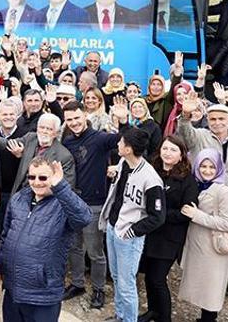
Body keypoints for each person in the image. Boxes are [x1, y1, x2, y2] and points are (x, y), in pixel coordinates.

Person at [0, 157, 91, 321]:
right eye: (32, 177)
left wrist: (60, 187)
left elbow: (84, 218)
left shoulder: (64, 203)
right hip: (13, 291)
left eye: (43, 177)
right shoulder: (18, 199)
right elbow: (6, 234)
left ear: (54, 178)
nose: (37, 182)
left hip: (42, 295)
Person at [60, 100, 130, 308]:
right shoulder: (68, 142)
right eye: (69, 120)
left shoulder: (99, 139)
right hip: (73, 203)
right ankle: (78, 283)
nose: (74, 123)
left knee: (95, 251)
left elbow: (126, 140)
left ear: (85, 116)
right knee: (74, 247)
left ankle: (98, 289)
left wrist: (124, 121)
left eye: (77, 118)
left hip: (94, 204)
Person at [98, 128, 166, 322]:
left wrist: (131, 231)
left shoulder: (151, 179)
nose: (117, 144)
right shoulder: (123, 163)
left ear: (128, 148)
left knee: (127, 284)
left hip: (128, 236)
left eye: (120, 142)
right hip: (113, 227)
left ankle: (128, 319)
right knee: (118, 278)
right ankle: (120, 316)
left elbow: (158, 217)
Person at [139, 136, 198, 322]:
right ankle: (152, 311)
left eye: (173, 150)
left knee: (158, 279)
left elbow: (187, 211)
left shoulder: (187, 180)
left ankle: (164, 318)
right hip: (149, 234)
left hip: (169, 237)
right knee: (149, 277)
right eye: (165, 148)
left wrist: (160, 214)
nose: (168, 153)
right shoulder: (151, 171)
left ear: (181, 155)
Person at [178, 149, 228, 322]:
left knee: (212, 291)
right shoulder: (196, 185)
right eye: (203, 166)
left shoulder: (224, 191)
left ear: (219, 168)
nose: (207, 171)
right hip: (199, 244)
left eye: (212, 167)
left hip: (214, 247)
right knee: (203, 288)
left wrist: (197, 215)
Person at [177, 94, 228, 182]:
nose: (217, 122)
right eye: (213, 119)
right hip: (202, 190)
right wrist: (186, 114)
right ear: (207, 120)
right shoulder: (199, 136)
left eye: (221, 119)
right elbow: (184, 131)